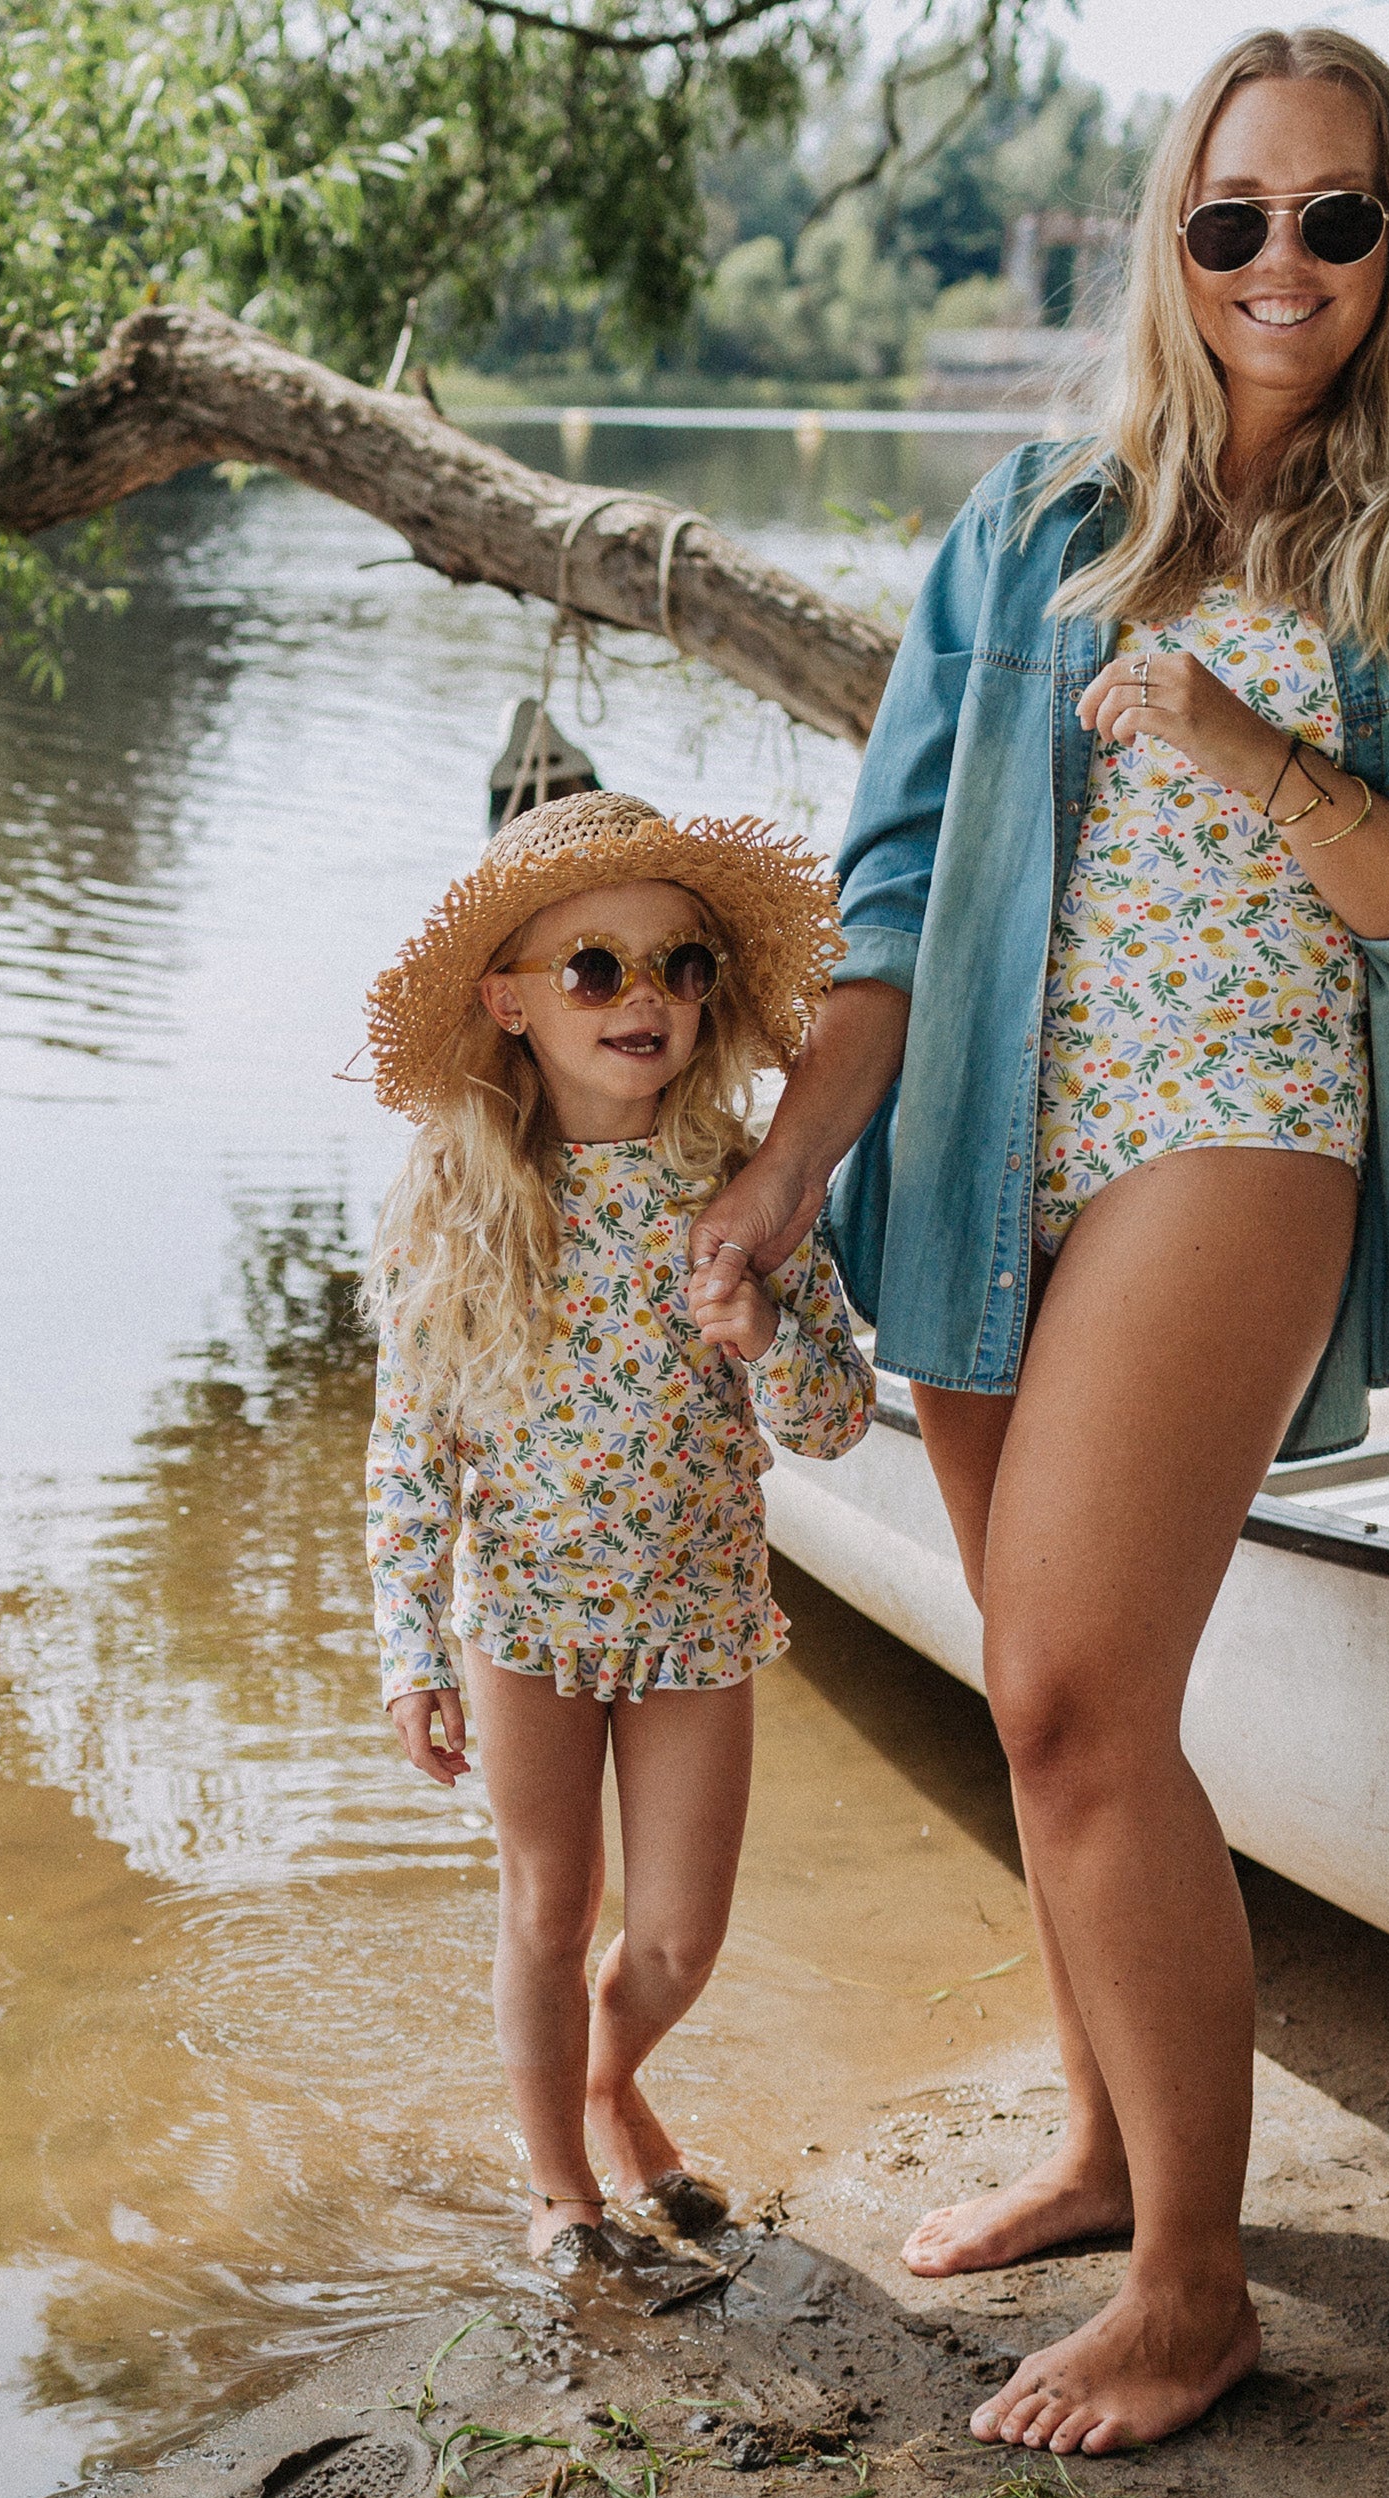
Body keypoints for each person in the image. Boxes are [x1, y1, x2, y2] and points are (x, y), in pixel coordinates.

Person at [686, 23, 1389, 2458]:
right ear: (1170, 242)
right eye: (1232, 219)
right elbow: (887, 904)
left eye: (1332, 216)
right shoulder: (1026, 522)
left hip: (1244, 1128)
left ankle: (1195, 2290)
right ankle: (1107, 2145)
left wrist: (1248, 745)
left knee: (1085, 1689)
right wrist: (790, 1170)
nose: (1279, 263)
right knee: (1032, 1692)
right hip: (988, 1143)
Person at [363, 790, 874, 2271]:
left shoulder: (747, 1195)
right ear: (508, 1001)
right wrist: (413, 1650)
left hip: (697, 1616)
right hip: (522, 1618)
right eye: (593, 967)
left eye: (679, 964)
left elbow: (833, 1422)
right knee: (547, 1907)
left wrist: (767, 1326)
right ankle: (564, 2187)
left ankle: (610, 2079)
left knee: (673, 1941)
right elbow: (412, 1458)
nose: (642, 997)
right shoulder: (463, 1212)